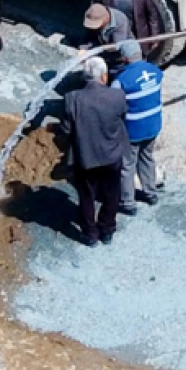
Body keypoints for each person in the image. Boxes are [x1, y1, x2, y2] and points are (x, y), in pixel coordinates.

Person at [60, 56, 129, 246]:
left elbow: (66, 130)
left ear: (85, 78)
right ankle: (107, 230)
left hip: (85, 157)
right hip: (112, 155)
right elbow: (121, 117)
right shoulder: (117, 96)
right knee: (112, 193)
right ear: (104, 77)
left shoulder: (72, 99)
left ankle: (90, 234)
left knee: (87, 196)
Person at [111, 40, 164, 212]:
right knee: (147, 157)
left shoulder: (121, 80)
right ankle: (151, 193)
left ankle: (128, 203)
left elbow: (113, 103)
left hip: (132, 130)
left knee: (127, 164)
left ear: (124, 58)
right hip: (153, 125)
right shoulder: (155, 72)